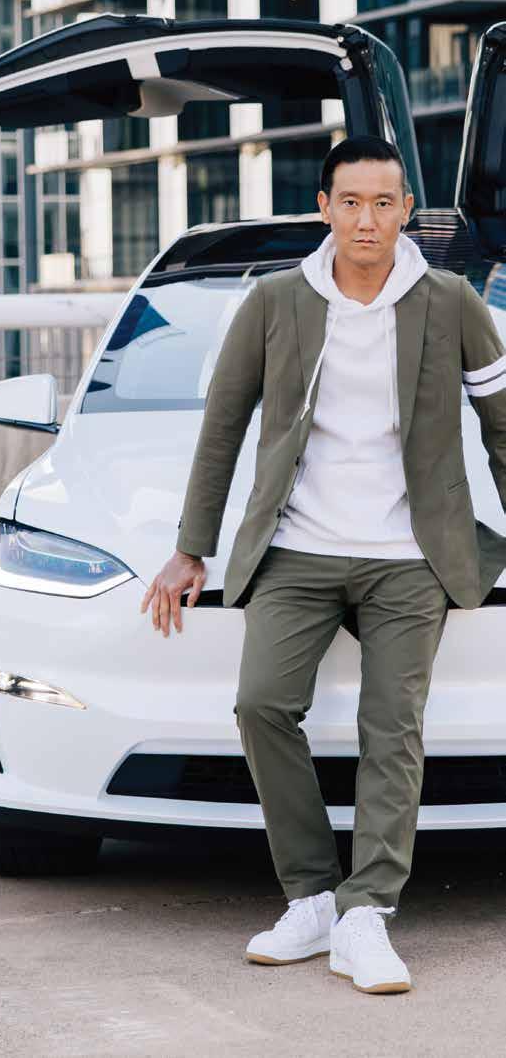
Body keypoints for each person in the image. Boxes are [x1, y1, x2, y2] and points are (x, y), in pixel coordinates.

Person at [140, 135, 506, 995]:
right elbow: (222, 427)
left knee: (392, 725)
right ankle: (310, 897)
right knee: (261, 703)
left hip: (409, 555)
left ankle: (366, 912)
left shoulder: (452, 302)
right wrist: (191, 545)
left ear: (405, 211)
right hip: (297, 547)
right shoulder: (274, 301)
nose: (365, 219)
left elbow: (501, 427)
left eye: (382, 203)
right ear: (324, 208)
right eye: (349, 202)